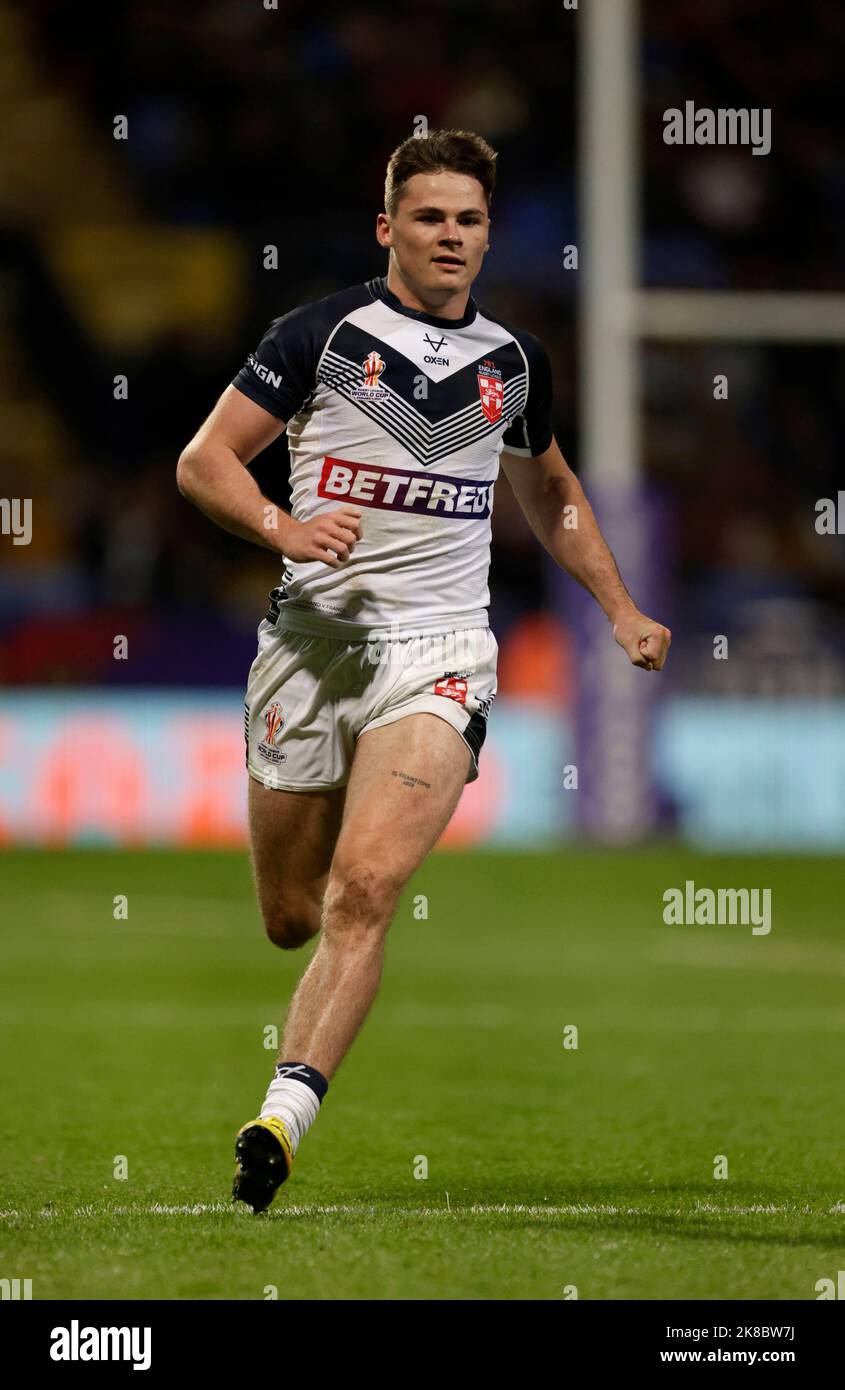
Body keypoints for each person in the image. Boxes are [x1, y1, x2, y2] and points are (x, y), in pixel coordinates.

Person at [176, 129, 671, 1213]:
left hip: (440, 656)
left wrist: (619, 606)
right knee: (291, 914)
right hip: (311, 651)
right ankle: (290, 1067)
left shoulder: (516, 361)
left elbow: (550, 492)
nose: (451, 236)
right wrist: (282, 524)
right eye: (432, 217)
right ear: (387, 226)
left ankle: (282, 1117)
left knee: (365, 891)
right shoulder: (318, 335)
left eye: (470, 220)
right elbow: (202, 459)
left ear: (488, 235)